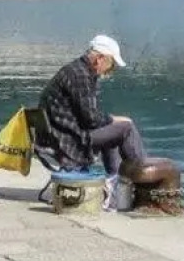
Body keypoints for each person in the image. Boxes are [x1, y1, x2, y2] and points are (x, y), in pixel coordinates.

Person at [36, 35, 147, 181]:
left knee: (113, 130)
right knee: (127, 127)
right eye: (111, 64)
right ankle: (144, 178)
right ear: (99, 59)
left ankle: (114, 180)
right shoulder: (80, 75)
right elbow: (91, 120)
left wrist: (111, 121)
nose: (110, 70)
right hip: (69, 140)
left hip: (58, 135)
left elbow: (89, 116)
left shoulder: (74, 69)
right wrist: (114, 119)